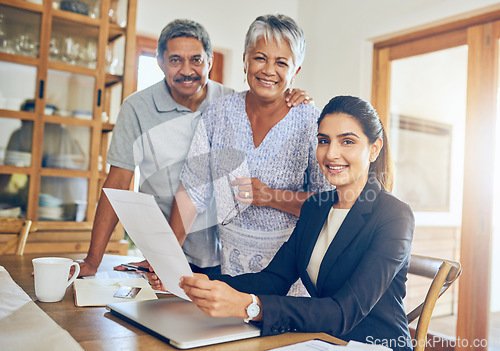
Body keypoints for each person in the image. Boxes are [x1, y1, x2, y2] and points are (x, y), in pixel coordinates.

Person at [151, 96, 414, 350]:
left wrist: (250, 306)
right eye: (324, 141)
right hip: (323, 339)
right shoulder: (316, 207)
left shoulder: (394, 216)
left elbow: (342, 312)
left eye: (347, 141)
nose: (331, 153)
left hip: (373, 345)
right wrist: (193, 281)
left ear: (374, 149)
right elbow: (274, 279)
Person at [77, 19, 311, 277]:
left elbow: (331, 202)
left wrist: (290, 93)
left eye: (196, 60)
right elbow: (121, 185)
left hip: (232, 258)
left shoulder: (235, 102)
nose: (186, 70)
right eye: (175, 60)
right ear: (160, 62)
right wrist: (93, 259)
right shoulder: (143, 109)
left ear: (209, 61)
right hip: (173, 248)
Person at [169, 14, 333, 296]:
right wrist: (167, 259)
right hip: (233, 270)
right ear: (245, 59)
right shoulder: (218, 113)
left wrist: (270, 196)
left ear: (296, 70)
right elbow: (191, 193)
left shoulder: (311, 122)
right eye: (260, 58)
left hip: (292, 275)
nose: (269, 70)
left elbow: (329, 204)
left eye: (282, 62)